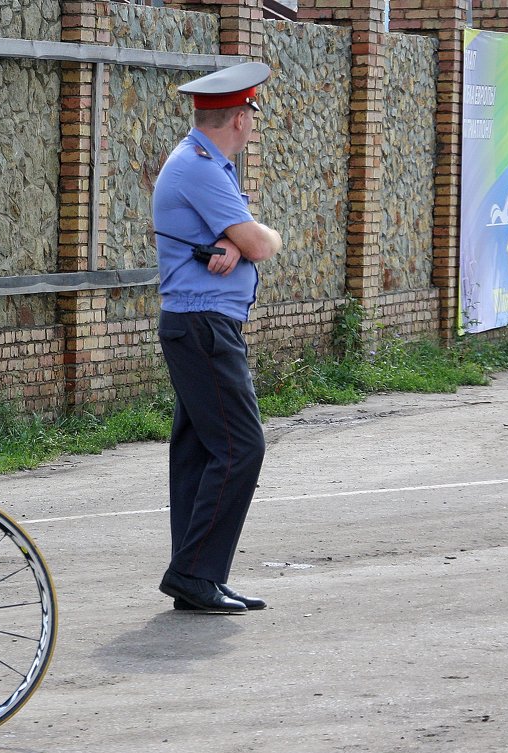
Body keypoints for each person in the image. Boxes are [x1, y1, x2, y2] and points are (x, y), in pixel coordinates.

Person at [151, 62, 283, 613]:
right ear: (240, 117)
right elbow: (260, 243)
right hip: (204, 326)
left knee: (201, 450)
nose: (253, 123)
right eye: (252, 113)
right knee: (240, 446)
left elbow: (241, 242)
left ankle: (197, 574)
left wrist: (238, 242)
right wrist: (247, 241)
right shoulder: (202, 168)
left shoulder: (207, 165)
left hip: (199, 324)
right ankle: (193, 572)